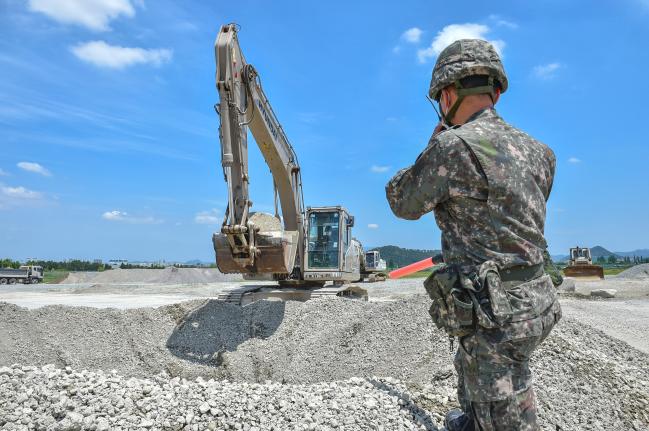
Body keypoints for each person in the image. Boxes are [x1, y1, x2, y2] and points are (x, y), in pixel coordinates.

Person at [385, 39, 562, 431]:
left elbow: (403, 202)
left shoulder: (452, 147)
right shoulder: (541, 152)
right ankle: (473, 418)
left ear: (448, 93)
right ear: (496, 91)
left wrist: (432, 146)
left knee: (503, 405)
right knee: (499, 378)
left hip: (493, 313)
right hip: (537, 299)